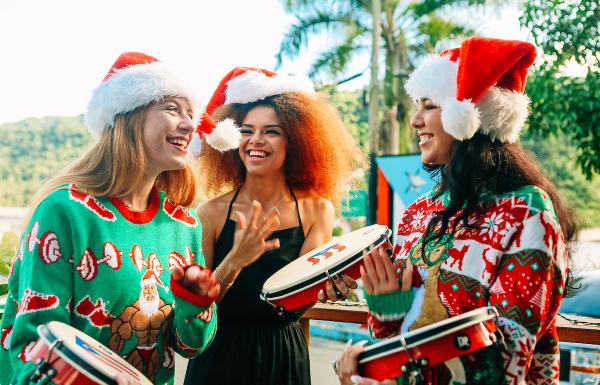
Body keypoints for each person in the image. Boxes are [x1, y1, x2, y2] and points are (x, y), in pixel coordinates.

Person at [0, 52, 278, 385]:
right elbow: (32, 343)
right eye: (172, 108)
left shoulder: (184, 226)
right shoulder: (63, 212)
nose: (190, 124)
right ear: (128, 116)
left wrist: (197, 299)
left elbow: (190, 345)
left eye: (191, 113)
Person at [335, 37, 577, 385]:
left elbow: (507, 366)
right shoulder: (418, 212)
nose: (415, 121)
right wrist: (386, 312)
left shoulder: (526, 213)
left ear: (470, 116)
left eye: (429, 105)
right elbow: (397, 338)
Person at [184, 67, 366, 385]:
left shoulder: (316, 211)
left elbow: (300, 299)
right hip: (218, 356)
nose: (256, 139)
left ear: (295, 141)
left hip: (283, 356)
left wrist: (330, 286)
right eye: (246, 130)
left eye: (271, 131)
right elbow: (199, 307)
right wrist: (235, 260)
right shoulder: (210, 213)